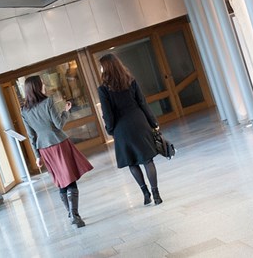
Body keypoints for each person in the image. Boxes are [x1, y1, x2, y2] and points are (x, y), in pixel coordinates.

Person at [20, 75, 94, 228]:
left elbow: (31, 135)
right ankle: (74, 216)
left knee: (61, 181)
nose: (44, 85)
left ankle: (70, 214)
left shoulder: (25, 111)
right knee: (70, 178)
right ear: (37, 87)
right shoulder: (48, 102)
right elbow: (59, 124)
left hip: (44, 148)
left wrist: (37, 156)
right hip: (59, 144)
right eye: (42, 83)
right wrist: (66, 111)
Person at [97, 53, 163, 206]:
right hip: (140, 122)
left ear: (105, 68)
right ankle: (156, 193)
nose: (100, 69)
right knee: (147, 159)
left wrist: (110, 129)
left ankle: (145, 193)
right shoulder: (131, 81)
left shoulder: (103, 89)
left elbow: (107, 113)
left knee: (132, 162)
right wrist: (153, 123)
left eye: (101, 66)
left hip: (122, 128)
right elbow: (143, 103)